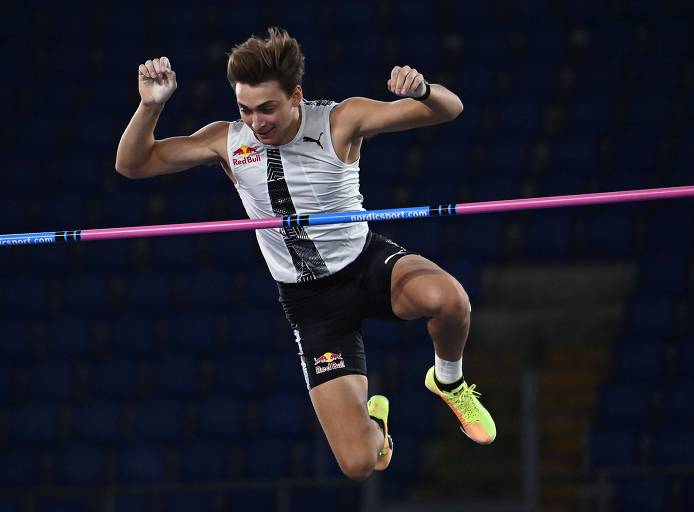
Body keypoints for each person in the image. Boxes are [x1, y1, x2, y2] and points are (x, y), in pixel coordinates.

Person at [115, 27, 495, 481]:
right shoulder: (226, 141)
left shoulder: (342, 120)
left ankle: (448, 380)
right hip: (313, 307)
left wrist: (425, 90)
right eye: (246, 109)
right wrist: (151, 105)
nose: (257, 123)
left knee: (450, 300)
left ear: (296, 95)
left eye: (268, 108)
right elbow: (132, 164)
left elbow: (448, 111)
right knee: (359, 465)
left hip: (367, 266)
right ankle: (377, 426)